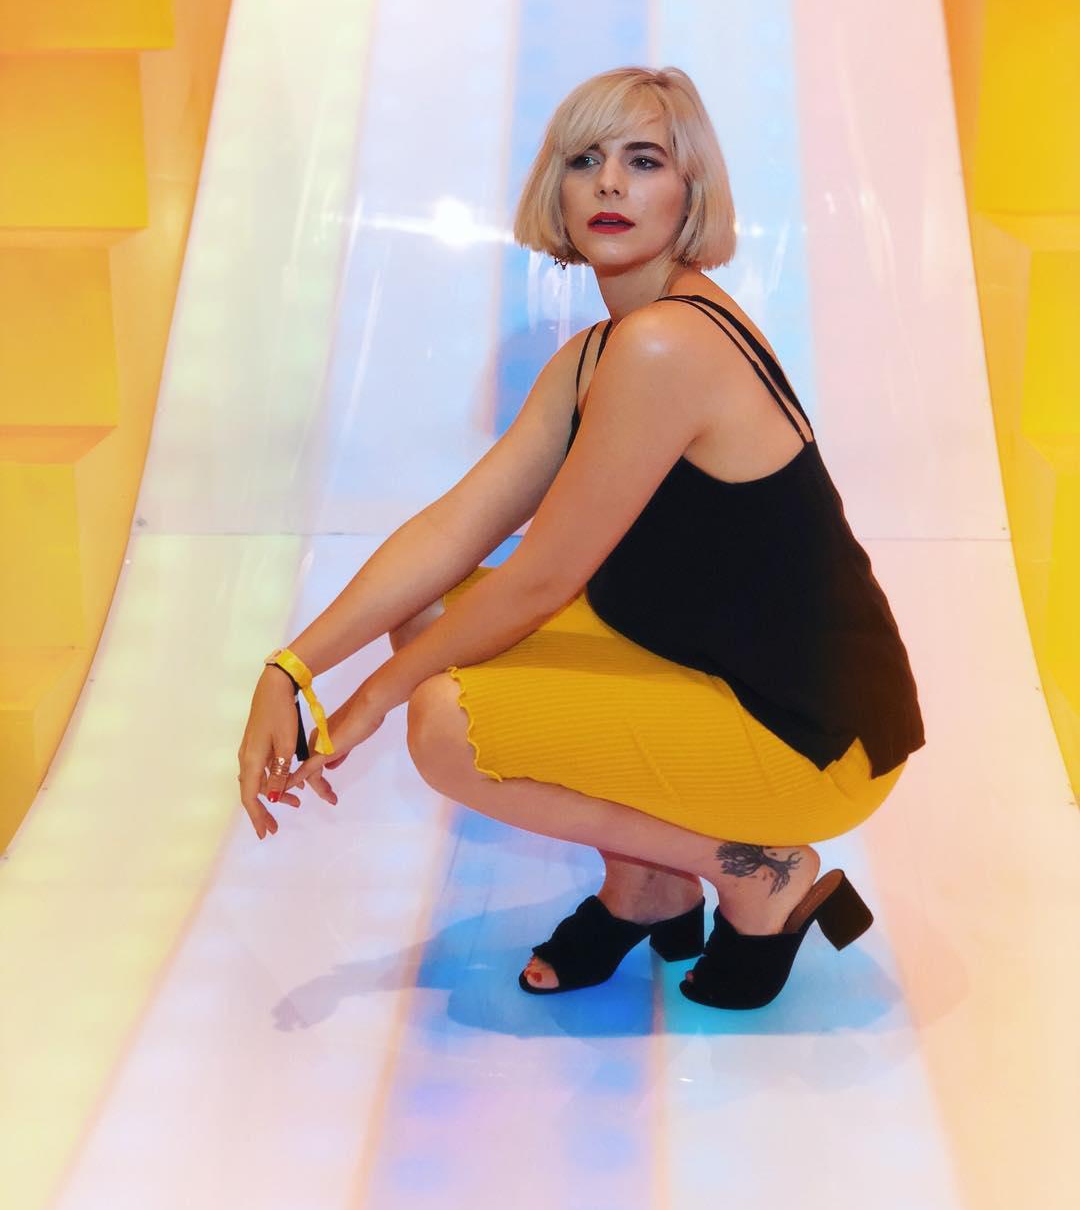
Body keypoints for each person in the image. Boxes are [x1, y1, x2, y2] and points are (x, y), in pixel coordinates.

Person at [237, 65, 924, 1010]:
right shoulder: (600, 351)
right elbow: (451, 529)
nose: (609, 183)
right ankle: (650, 885)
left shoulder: (668, 345)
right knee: (432, 615)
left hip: (809, 735)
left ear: (690, 189)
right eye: (584, 160)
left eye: (644, 161)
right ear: (554, 187)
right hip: (710, 671)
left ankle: (758, 871)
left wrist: (367, 704)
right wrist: (291, 669)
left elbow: (539, 580)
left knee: (446, 725)